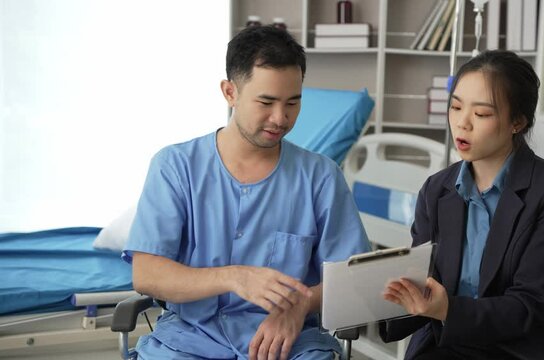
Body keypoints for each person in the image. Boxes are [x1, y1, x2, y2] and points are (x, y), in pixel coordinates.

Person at [122, 25, 370, 360]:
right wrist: (235, 278)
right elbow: (147, 274)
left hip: (290, 345)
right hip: (189, 341)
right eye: (266, 102)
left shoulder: (321, 177)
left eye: (293, 103)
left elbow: (353, 275)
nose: (280, 118)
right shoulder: (175, 167)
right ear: (230, 92)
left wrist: (300, 307)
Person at [380, 50, 544, 359]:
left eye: (481, 114)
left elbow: (529, 306)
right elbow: (423, 278)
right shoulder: (436, 190)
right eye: (455, 107)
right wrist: (377, 298)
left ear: (518, 122)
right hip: (448, 340)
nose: (462, 124)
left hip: (523, 346)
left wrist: (448, 308)